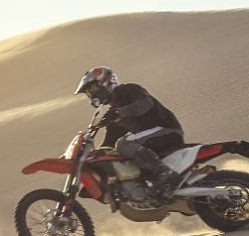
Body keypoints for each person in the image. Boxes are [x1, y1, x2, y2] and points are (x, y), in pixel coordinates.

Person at [73, 66, 186, 198]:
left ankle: (164, 173)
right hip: (152, 140)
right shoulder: (114, 111)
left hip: (166, 131)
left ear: (105, 82)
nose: (91, 95)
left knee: (124, 144)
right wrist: (96, 159)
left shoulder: (128, 90)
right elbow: (109, 143)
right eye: (88, 93)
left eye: (91, 89)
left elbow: (145, 104)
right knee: (118, 153)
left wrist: (119, 113)